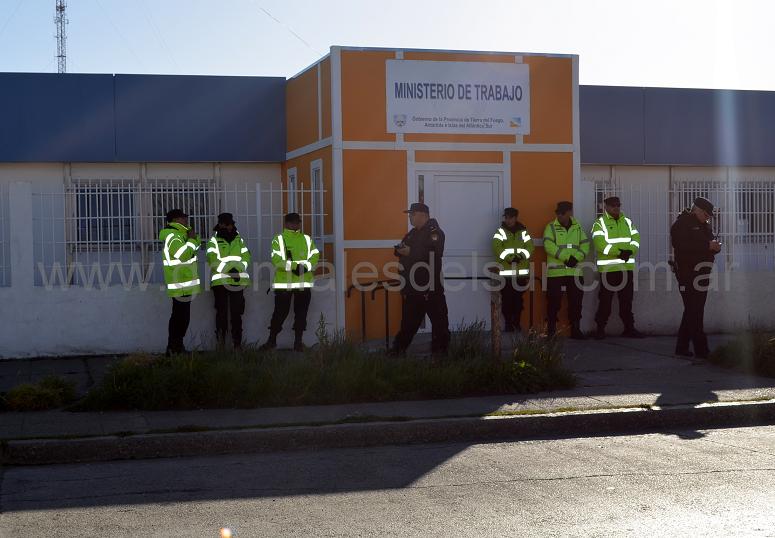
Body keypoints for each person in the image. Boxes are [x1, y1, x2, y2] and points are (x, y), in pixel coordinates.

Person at [389, 202, 450, 356]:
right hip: (413, 288)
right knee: (408, 325)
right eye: (410, 214)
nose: (410, 217)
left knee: (440, 324)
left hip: (431, 288)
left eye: (412, 214)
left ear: (423, 215)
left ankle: (440, 356)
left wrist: (410, 251)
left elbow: (433, 252)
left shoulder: (434, 232)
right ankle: (396, 352)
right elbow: (402, 248)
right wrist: (401, 250)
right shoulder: (413, 233)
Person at [260, 212, 320, 352]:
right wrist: (295, 267)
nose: (295, 225)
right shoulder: (279, 240)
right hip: (284, 284)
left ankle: (298, 343)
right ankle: (271, 341)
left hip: (303, 283)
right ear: (286, 224)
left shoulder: (306, 239)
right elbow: (277, 260)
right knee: (279, 314)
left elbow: (315, 256)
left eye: (297, 222)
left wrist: (305, 267)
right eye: (292, 222)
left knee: (301, 314)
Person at [670, 197, 721, 358]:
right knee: (695, 311)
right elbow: (682, 246)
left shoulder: (704, 226)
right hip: (687, 273)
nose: (708, 217)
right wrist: (707, 246)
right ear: (697, 210)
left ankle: (682, 348)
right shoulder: (681, 224)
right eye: (706, 214)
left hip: (702, 273)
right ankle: (702, 350)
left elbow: (708, 243)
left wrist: (714, 247)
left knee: (692, 310)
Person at [590, 196, 645, 339]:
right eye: (613, 205)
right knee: (605, 301)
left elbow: (636, 239)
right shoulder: (599, 223)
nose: (616, 208)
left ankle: (629, 328)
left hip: (626, 269)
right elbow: (600, 244)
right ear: (606, 207)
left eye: (618, 205)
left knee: (627, 300)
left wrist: (630, 251)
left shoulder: (627, 221)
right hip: (608, 270)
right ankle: (600, 329)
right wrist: (620, 252)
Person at [542, 201, 589, 339]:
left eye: (562, 213)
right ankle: (551, 330)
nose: (559, 215)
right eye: (558, 213)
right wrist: (566, 258)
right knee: (553, 301)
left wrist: (576, 258)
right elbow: (548, 245)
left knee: (576, 301)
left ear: (569, 213)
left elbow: (585, 245)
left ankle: (575, 329)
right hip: (556, 272)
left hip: (574, 271)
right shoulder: (551, 227)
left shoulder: (578, 227)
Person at [206, 213, 251, 350]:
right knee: (222, 314)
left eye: (231, 224)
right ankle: (221, 344)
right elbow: (212, 260)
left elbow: (246, 257)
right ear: (220, 225)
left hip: (237, 281)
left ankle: (237, 345)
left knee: (237, 314)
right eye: (227, 224)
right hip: (220, 282)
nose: (230, 226)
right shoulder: (214, 241)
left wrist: (238, 270)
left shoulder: (239, 240)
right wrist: (229, 271)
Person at [159, 209, 201, 356]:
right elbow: (183, 255)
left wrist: (193, 240)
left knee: (182, 317)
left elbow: (195, 247)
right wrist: (191, 240)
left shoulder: (181, 235)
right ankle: (173, 348)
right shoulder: (174, 236)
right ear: (176, 220)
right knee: (179, 318)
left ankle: (176, 347)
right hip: (179, 283)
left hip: (184, 283)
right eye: (183, 218)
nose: (186, 220)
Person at [492, 207, 534, 332]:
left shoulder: (523, 232)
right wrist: (510, 258)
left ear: (516, 218)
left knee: (518, 301)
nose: (508, 220)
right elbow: (496, 247)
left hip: (521, 274)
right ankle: (508, 324)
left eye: (510, 217)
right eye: (506, 217)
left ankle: (517, 322)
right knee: (507, 300)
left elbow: (530, 247)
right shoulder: (500, 232)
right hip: (506, 274)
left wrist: (521, 257)